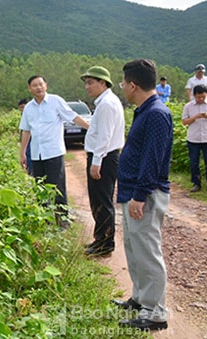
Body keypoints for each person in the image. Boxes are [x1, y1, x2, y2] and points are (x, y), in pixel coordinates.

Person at [114, 59, 173, 331]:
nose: (122, 87)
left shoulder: (156, 114)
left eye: (123, 83)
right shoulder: (144, 111)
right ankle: (140, 298)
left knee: (148, 251)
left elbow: (153, 159)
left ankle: (156, 312)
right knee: (134, 247)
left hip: (144, 194)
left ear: (133, 85)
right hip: (132, 191)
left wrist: (140, 195)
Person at [19, 75, 89, 228]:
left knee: (58, 187)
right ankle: (45, 222)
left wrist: (91, 128)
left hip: (54, 153)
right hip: (37, 154)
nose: (38, 87)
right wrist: (22, 152)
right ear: (29, 89)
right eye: (34, 85)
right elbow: (26, 131)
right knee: (41, 188)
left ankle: (63, 222)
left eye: (41, 84)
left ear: (46, 85)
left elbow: (73, 117)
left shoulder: (56, 101)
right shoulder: (29, 108)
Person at [79, 66, 125, 257]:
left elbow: (104, 136)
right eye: (86, 83)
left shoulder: (106, 104)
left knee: (102, 201)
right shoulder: (106, 102)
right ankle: (100, 239)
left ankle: (104, 244)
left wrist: (96, 162)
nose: (87, 87)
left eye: (91, 83)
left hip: (104, 158)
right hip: (105, 156)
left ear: (103, 83)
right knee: (98, 199)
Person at [181, 84, 207, 192]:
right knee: (194, 163)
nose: (201, 99)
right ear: (194, 96)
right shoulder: (188, 106)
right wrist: (195, 117)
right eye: (199, 97)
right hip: (194, 138)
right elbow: (184, 122)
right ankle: (196, 183)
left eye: (203, 96)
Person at [18, 98, 33, 176]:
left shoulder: (31, 115)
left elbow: (27, 131)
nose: (22, 109)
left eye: (24, 107)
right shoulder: (23, 116)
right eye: (21, 107)